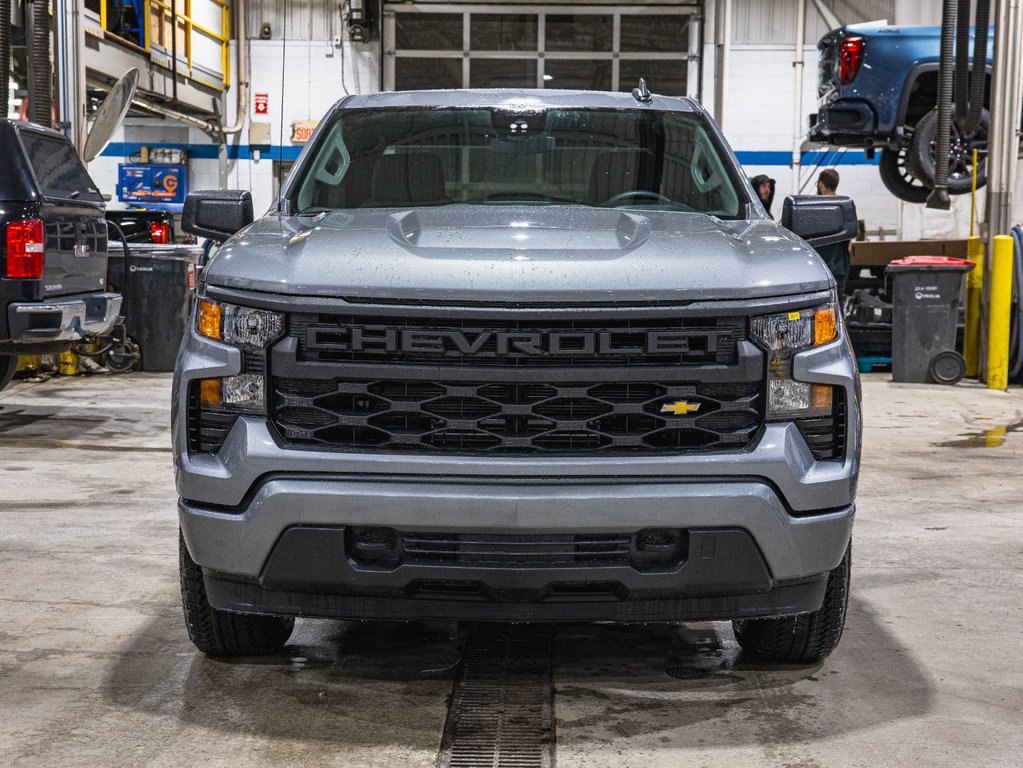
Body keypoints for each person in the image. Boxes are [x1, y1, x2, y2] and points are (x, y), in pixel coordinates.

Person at [814, 168, 855, 303]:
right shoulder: (846, 204)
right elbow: (851, 235)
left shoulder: (814, 206)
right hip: (840, 264)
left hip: (818, 265)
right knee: (838, 302)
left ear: (820, 184)